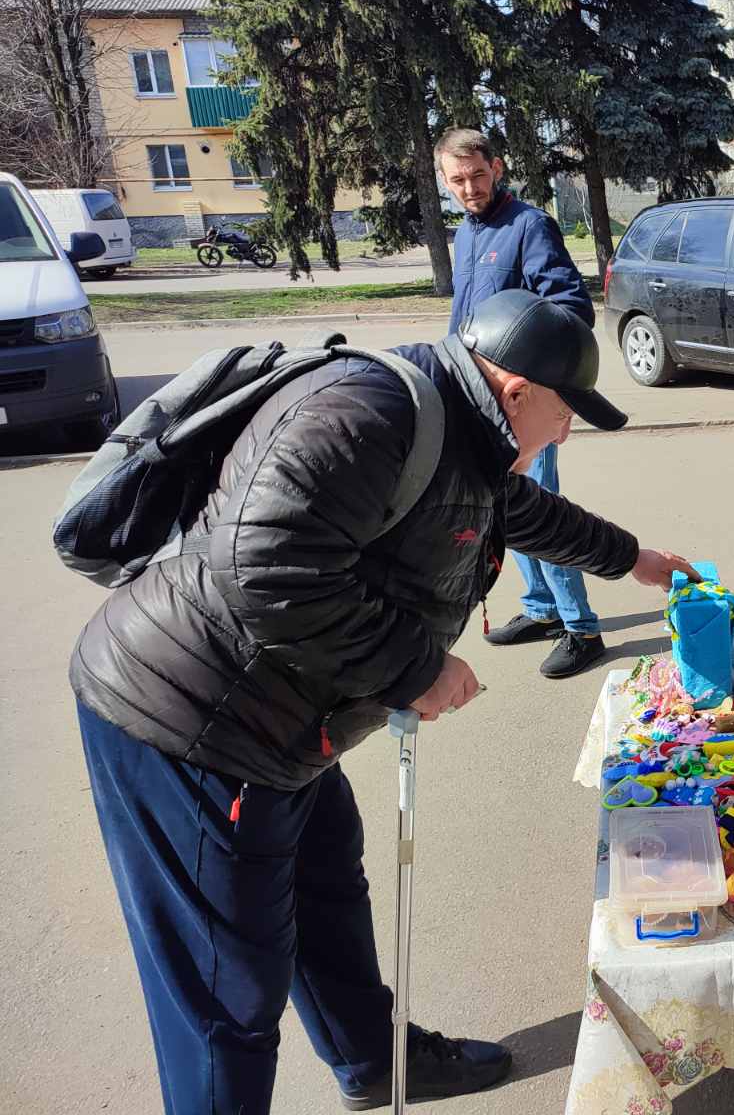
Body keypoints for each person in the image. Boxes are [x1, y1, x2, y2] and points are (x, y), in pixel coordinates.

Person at [71, 289, 698, 1114]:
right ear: (516, 392)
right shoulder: (368, 413)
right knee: (228, 989)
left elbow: (514, 510)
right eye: (566, 414)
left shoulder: (461, 424)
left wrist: (635, 559)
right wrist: (417, 670)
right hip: (191, 720)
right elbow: (265, 570)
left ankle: (374, 1062)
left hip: (287, 718)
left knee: (328, 887)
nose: (565, 433)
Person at [437, 126, 607, 679]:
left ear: (498, 168)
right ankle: (541, 609)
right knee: (501, 509)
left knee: (537, 509)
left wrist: (547, 387)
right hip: (476, 398)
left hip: (522, 401)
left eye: (477, 175)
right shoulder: (467, 233)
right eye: (457, 180)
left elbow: (570, 307)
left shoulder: (529, 226)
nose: (469, 188)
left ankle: (581, 628)